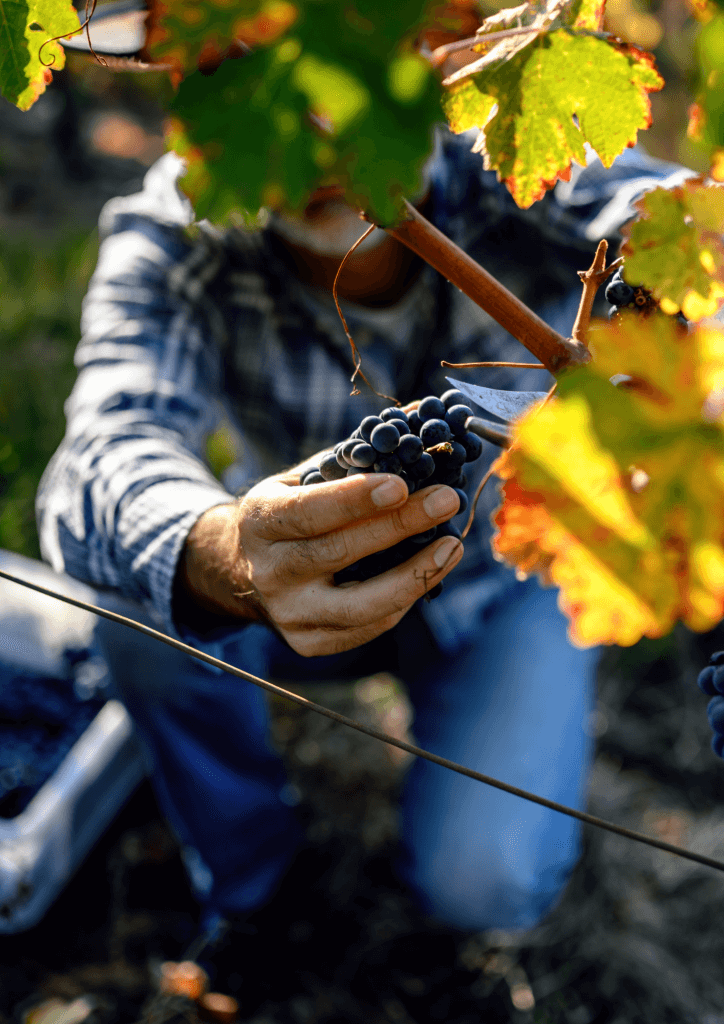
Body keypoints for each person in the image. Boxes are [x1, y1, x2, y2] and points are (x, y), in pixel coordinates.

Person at [25, 121, 692, 939]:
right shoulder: (179, 225)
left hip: (502, 587)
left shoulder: (518, 145)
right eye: (274, 93)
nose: (319, 143)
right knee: (138, 604)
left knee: (486, 885)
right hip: (294, 579)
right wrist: (221, 552)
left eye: (348, 80)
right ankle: (254, 891)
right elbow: (100, 450)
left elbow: (678, 215)